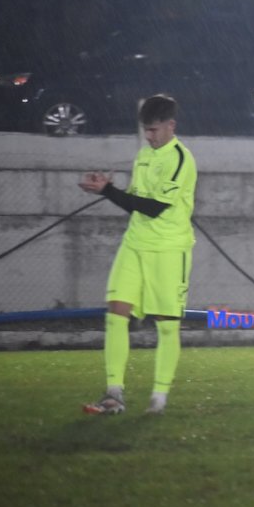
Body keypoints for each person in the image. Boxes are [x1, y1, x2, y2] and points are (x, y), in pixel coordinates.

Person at [79, 95, 198, 415]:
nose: (149, 136)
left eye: (155, 130)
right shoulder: (144, 155)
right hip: (135, 244)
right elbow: (134, 200)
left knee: (167, 326)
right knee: (116, 313)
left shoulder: (180, 159)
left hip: (168, 250)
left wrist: (108, 191)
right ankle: (114, 393)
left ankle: (159, 398)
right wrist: (107, 187)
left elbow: (155, 207)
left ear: (171, 126)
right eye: (146, 130)